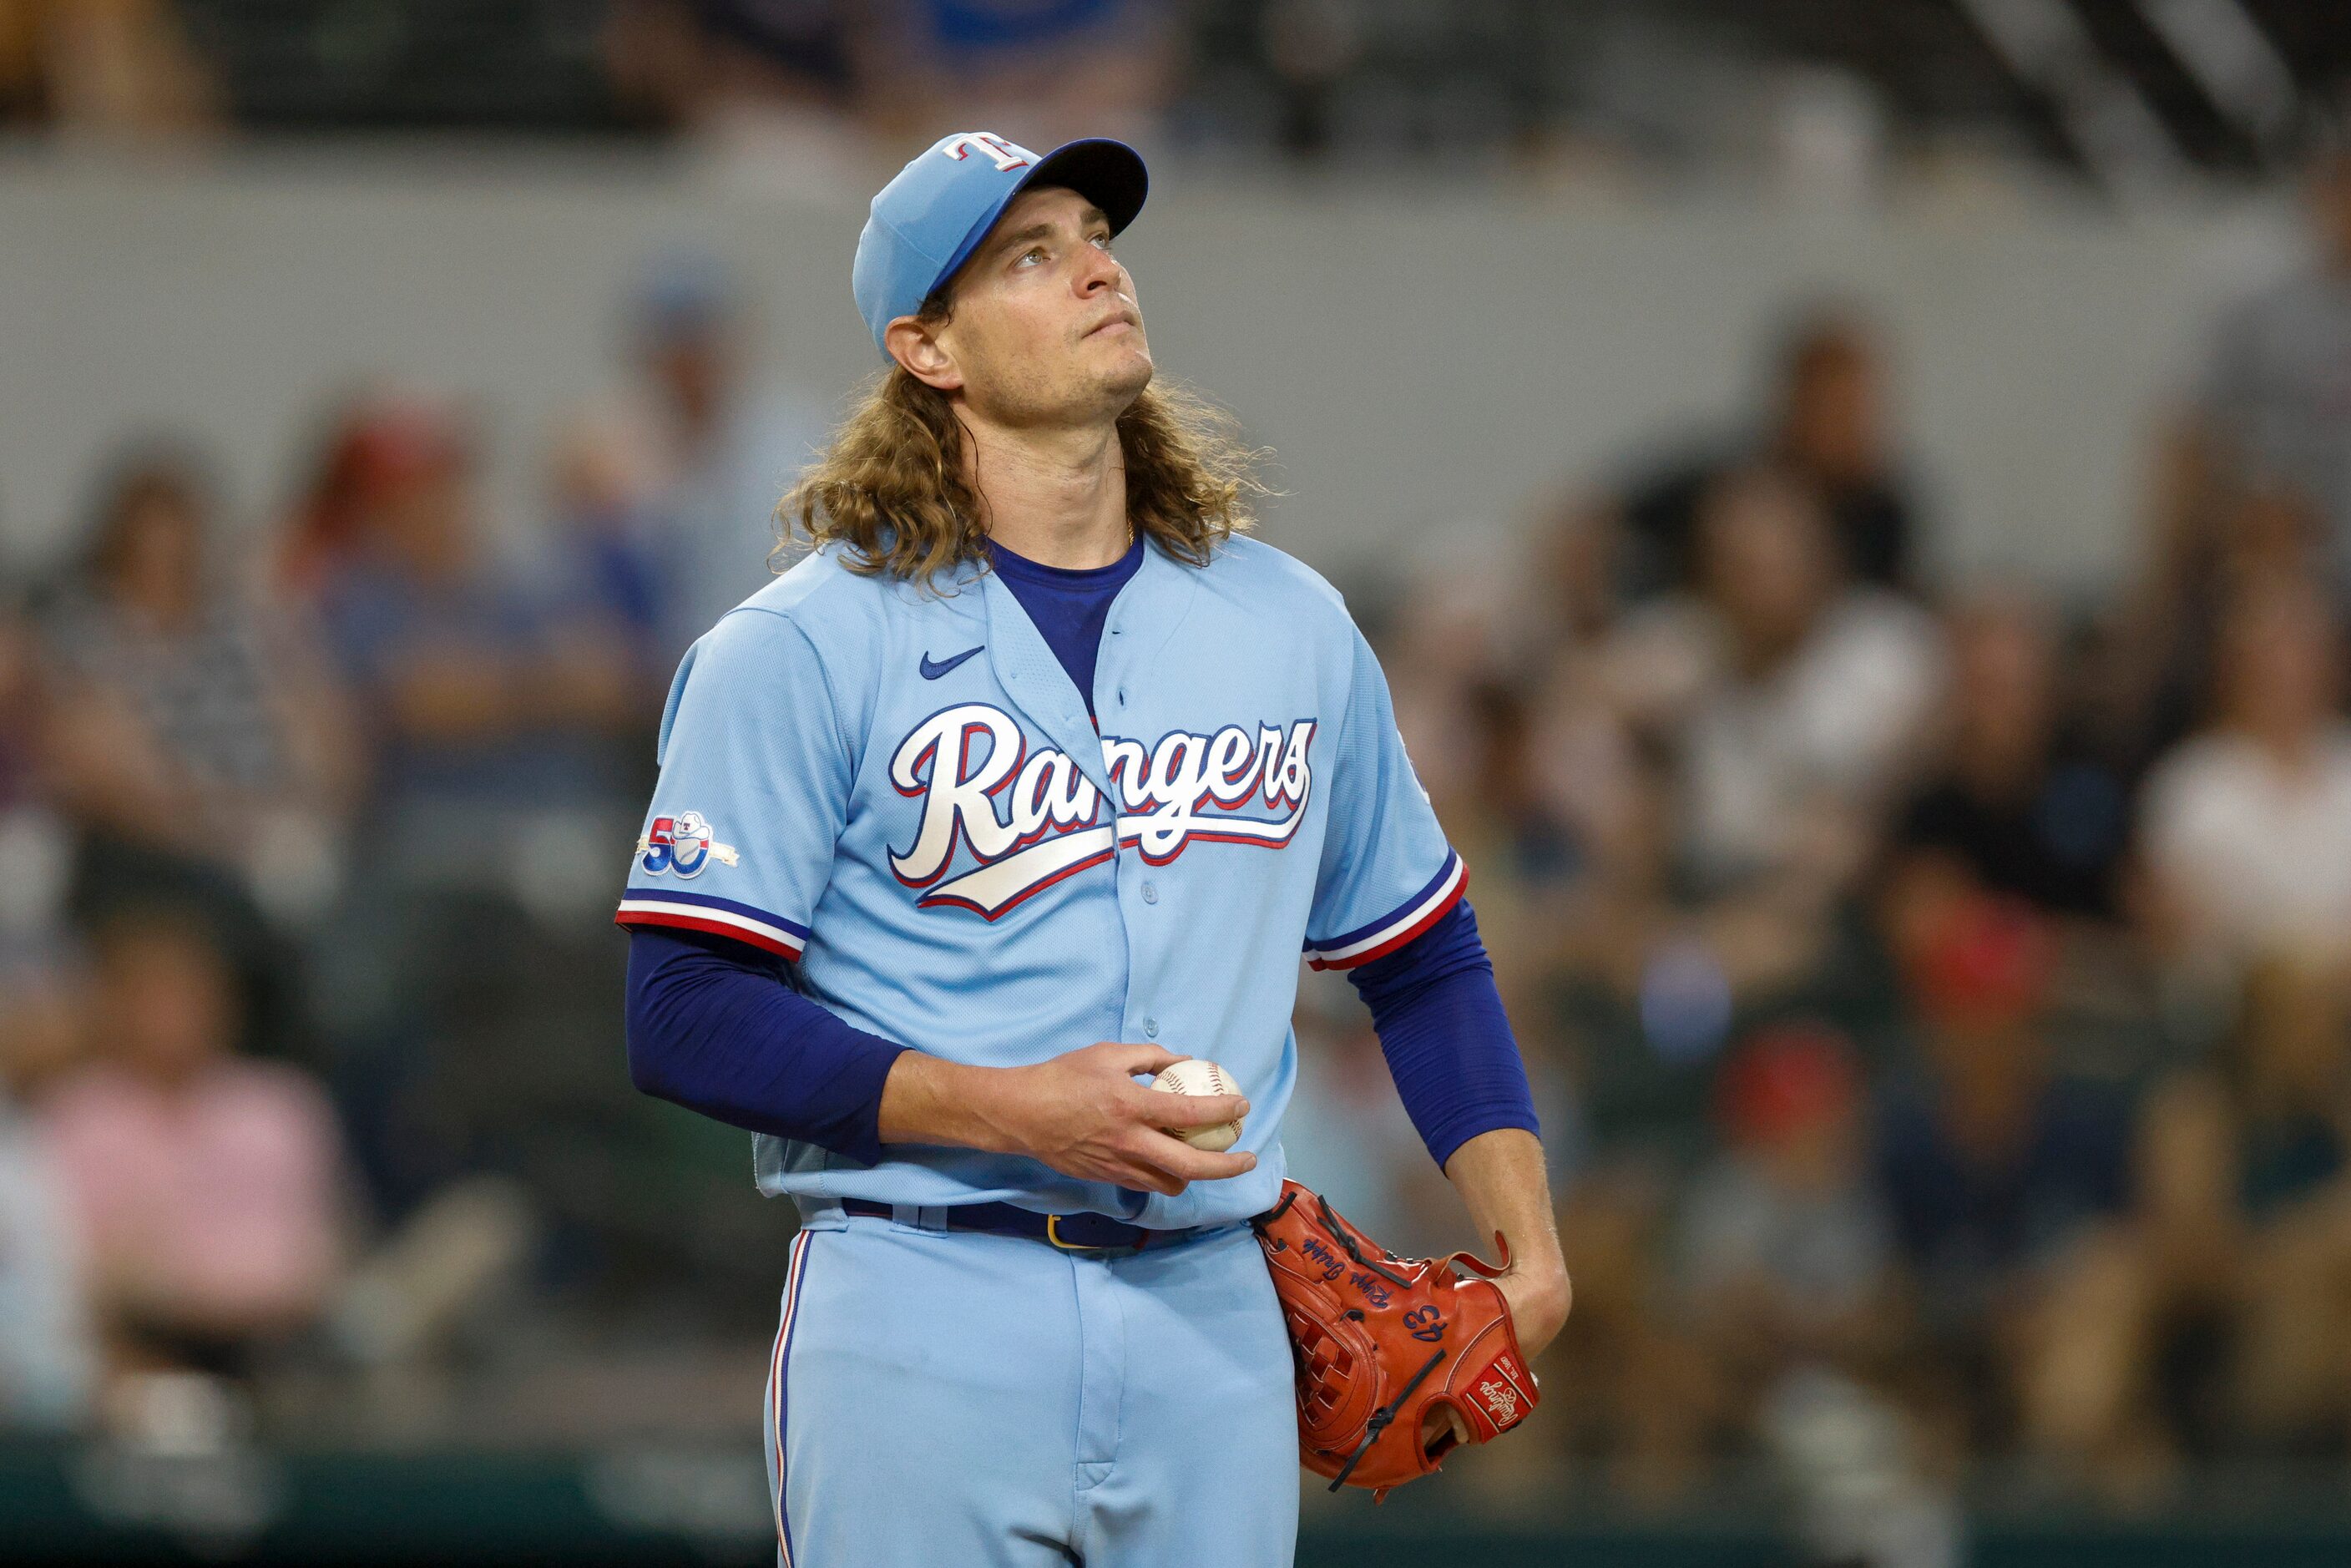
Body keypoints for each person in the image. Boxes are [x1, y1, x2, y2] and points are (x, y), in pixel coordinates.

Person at [618, 130, 1570, 1565]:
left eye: (1095, 235)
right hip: (923, 1302)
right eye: (1030, 254)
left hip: (1218, 1320)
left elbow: (1421, 951)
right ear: (927, 346)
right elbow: (680, 1011)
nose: (1096, 267)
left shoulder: (1286, 624)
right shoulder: (798, 647)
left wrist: (1526, 1237)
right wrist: (1006, 1108)